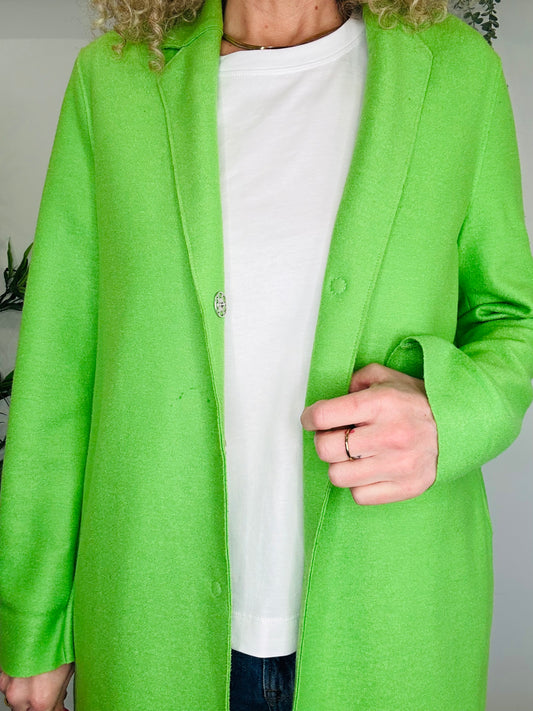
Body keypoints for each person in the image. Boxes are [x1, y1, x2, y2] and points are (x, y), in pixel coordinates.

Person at [1, 0, 532, 708]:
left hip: (394, 617)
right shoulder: (114, 79)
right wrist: (35, 619)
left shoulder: (456, 72)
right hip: (146, 616)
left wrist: (449, 416)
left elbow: (510, 319)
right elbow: (61, 362)